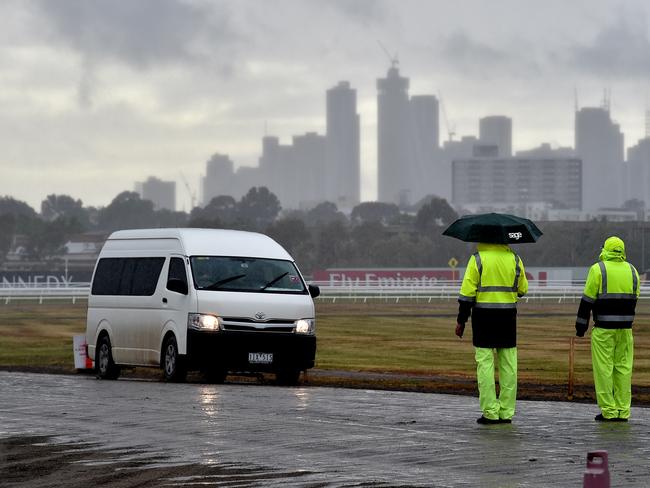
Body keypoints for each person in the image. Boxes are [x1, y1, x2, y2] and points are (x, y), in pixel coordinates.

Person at [455, 242, 528, 424]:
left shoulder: (477, 259)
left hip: (483, 318)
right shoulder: (515, 259)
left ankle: (490, 412)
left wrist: (461, 321)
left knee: (485, 366)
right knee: (509, 367)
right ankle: (506, 412)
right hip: (508, 318)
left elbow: (467, 294)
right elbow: (522, 290)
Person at [575, 236, 639, 422]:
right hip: (626, 330)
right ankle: (623, 410)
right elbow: (634, 298)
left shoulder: (598, 269)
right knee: (624, 369)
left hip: (603, 329)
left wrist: (581, 326)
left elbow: (587, 301)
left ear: (605, 249)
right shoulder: (633, 270)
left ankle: (609, 411)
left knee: (604, 369)